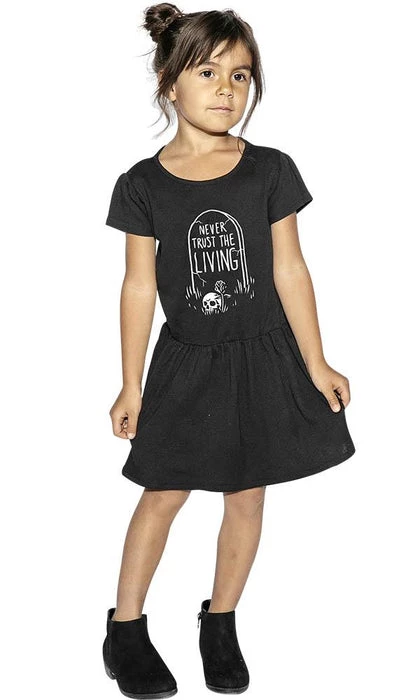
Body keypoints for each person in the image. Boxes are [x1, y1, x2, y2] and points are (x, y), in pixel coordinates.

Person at [102, 4, 356, 698]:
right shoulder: (142, 184)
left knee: (247, 493)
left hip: (262, 357)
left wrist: (316, 361)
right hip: (187, 362)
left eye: (240, 75)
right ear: (169, 83)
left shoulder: (269, 170)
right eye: (208, 72)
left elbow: (290, 269)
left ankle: (220, 621)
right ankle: (125, 628)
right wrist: (130, 384)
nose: (226, 89)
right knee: (164, 490)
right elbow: (137, 286)